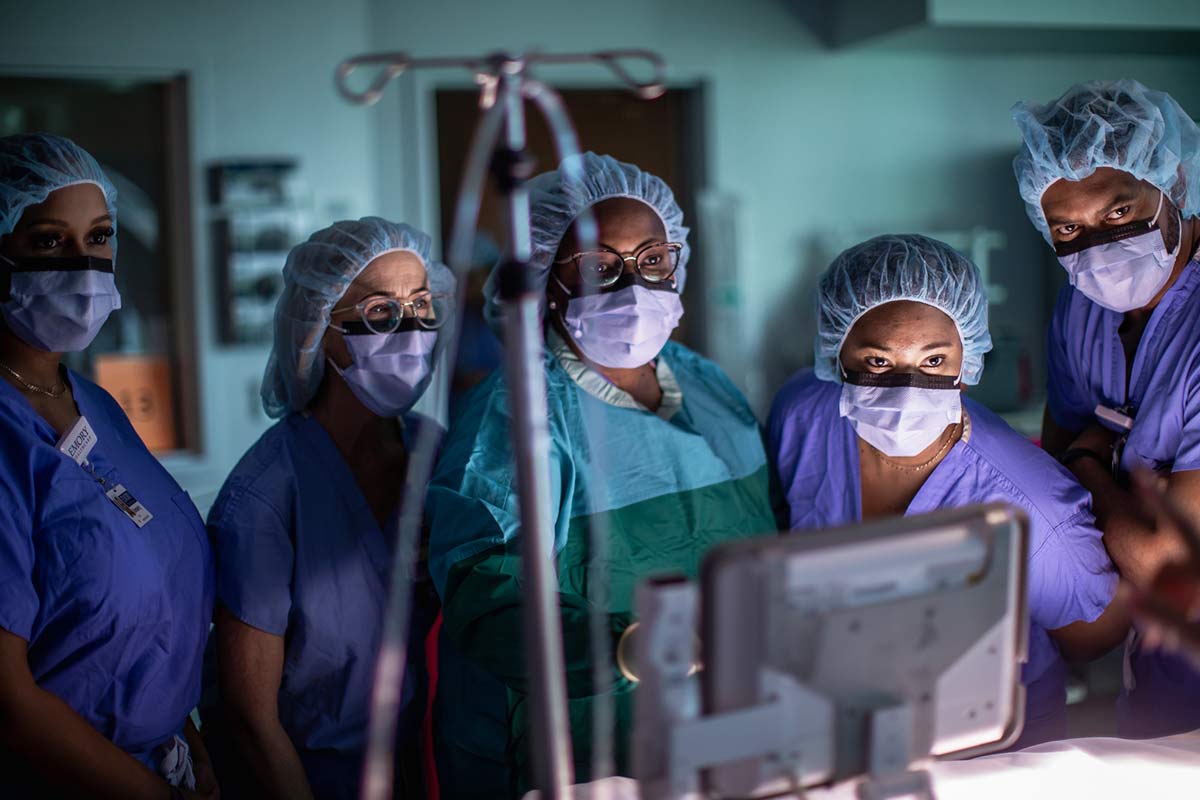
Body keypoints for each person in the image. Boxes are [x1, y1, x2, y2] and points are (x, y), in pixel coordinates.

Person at [426, 152, 777, 795]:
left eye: (652, 260)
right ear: (544, 279)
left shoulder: (710, 387)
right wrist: (621, 648)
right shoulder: (516, 417)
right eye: (597, 266)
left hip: (722, 738)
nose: (634, 287)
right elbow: (486, 600)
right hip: (577, 755)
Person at [768, 233, 1128, 749]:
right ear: (834, 352)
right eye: (877, 362)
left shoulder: (1030, 508)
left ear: (970, 356)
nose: (907, 389)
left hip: (988, 756)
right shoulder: (804, 416)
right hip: (834, 733)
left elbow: (1093, 635)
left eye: (934, 361)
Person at [0, 133, 216, 798]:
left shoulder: (92, 403)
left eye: (98, 238)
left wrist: (195, 754)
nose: (83, 265)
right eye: (47, 241)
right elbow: (9, 699)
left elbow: (154, 618)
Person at [207, 218, 452, 799]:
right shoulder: (265, 496)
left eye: (420, 305)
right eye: (379, 314)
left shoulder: (434, 453)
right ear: (319, 331)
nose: (410, 329)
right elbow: (251, 721)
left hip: (428, 765)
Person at [1012, 79, 1200, 737]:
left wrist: (1093, 460)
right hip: (1159, 653)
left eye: (1119, 214)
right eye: (1068, 227)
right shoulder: (1081, 307)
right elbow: (1052, 478)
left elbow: (1166, 564)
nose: (1098, 249)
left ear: (1173, 182)